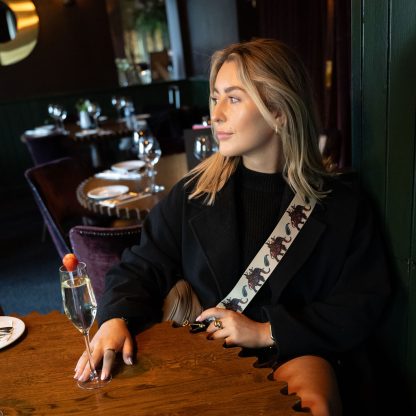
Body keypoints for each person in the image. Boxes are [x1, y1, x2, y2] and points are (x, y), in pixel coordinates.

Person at [75, 39, 390, 415]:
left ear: (280, 110)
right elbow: (141, 266)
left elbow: (361, 302)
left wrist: (264, 331)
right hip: (212, 357)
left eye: (234, 98)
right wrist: (115, 318)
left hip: (297, 348)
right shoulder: (193, 195)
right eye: (215, 97)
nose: (216, 114)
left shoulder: (342, 205)